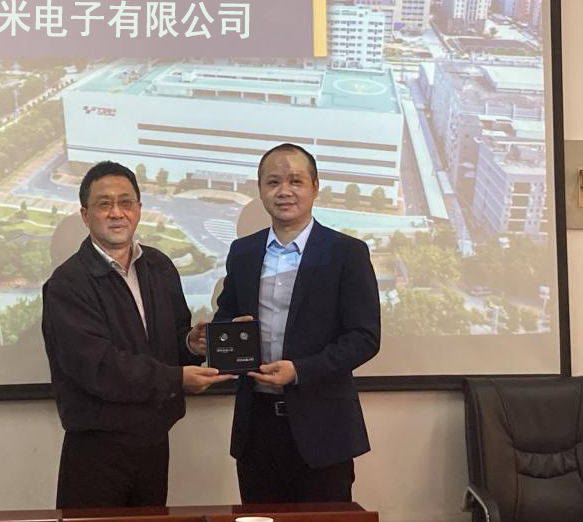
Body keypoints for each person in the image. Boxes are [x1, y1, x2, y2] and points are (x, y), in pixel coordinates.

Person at [41, 160, 230, 509]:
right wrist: (177, 378)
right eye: (104, 204)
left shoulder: (159, 267)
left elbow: (169, 340)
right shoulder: (67, 284)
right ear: (85, 215)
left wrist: (191, 343)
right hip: (97, 448)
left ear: (139, 209)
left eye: (126, 202)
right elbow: (99, 367)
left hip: (154, 441)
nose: (117, 213)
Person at [213, 143, 381, 503]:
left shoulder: (346, 253)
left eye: (296, 181)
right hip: (256, 428)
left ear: (315, 187)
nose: (284, 191)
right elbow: (226, 316)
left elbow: (365, 337)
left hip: (324, 430)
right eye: (273, 182)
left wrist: (299, 371)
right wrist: (216, 336)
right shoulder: (243, 252)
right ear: (260, 189)